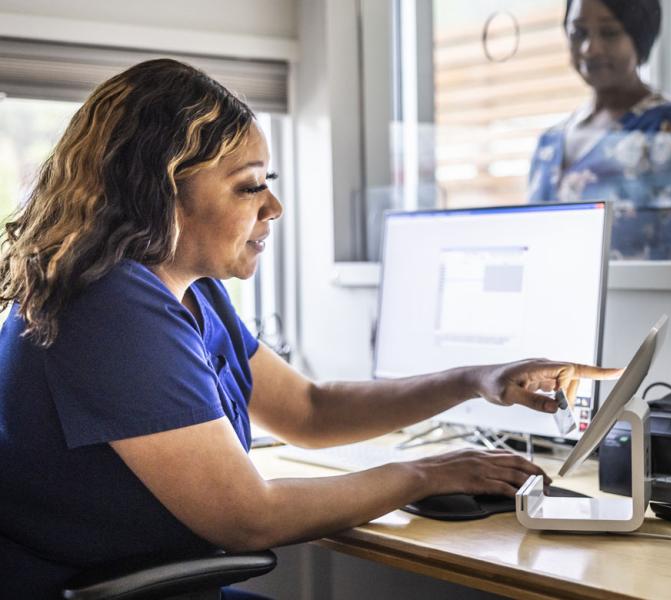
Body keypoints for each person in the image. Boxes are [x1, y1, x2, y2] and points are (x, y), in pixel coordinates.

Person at [0, 59, 621, 599]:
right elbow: (249, 519)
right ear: (160, 195)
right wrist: (430, 474)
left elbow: (310, 410)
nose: (273, 207)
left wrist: (477, 378)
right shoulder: (110, 305)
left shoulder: (189, 292)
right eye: (249, 187)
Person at [528, 0, 671, 260]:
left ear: (639, 37)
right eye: (578, 33)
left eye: (609, 33)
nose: (590, 48)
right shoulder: (549, 143)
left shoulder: (666, 127)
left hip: (642, 297)